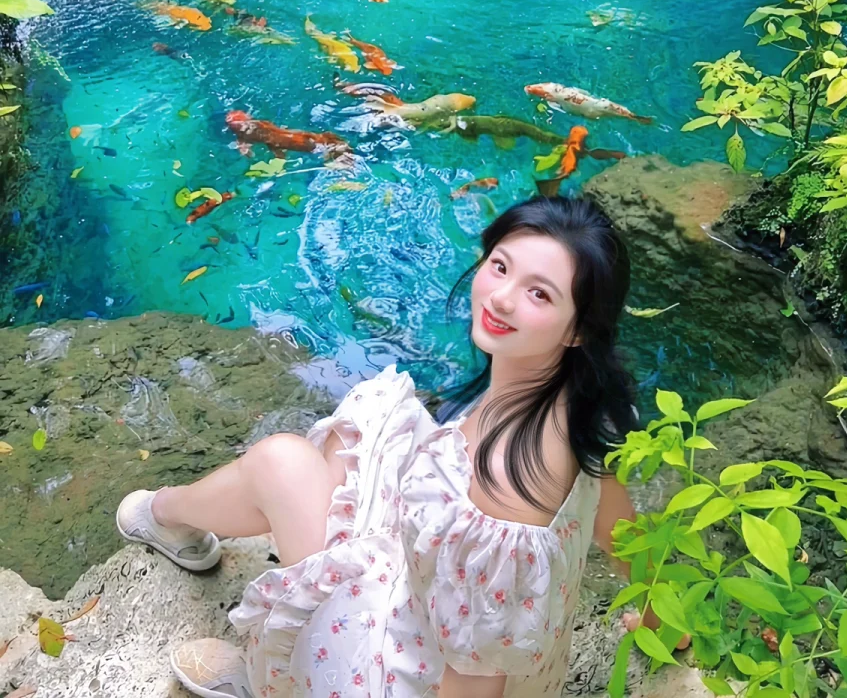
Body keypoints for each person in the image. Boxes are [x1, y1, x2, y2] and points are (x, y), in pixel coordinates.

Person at [115, 195, 669, 698]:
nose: (501, 298)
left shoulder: (505, 482)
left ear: (577, 330)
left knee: (280, 464)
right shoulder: (580, 406)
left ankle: (185, 547)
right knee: (363, 427)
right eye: (501, 266)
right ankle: (171, 521)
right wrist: (661, 623)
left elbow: (475, 683)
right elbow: (623, 532)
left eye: (538, 293)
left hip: (398, 677)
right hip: (443, 624)